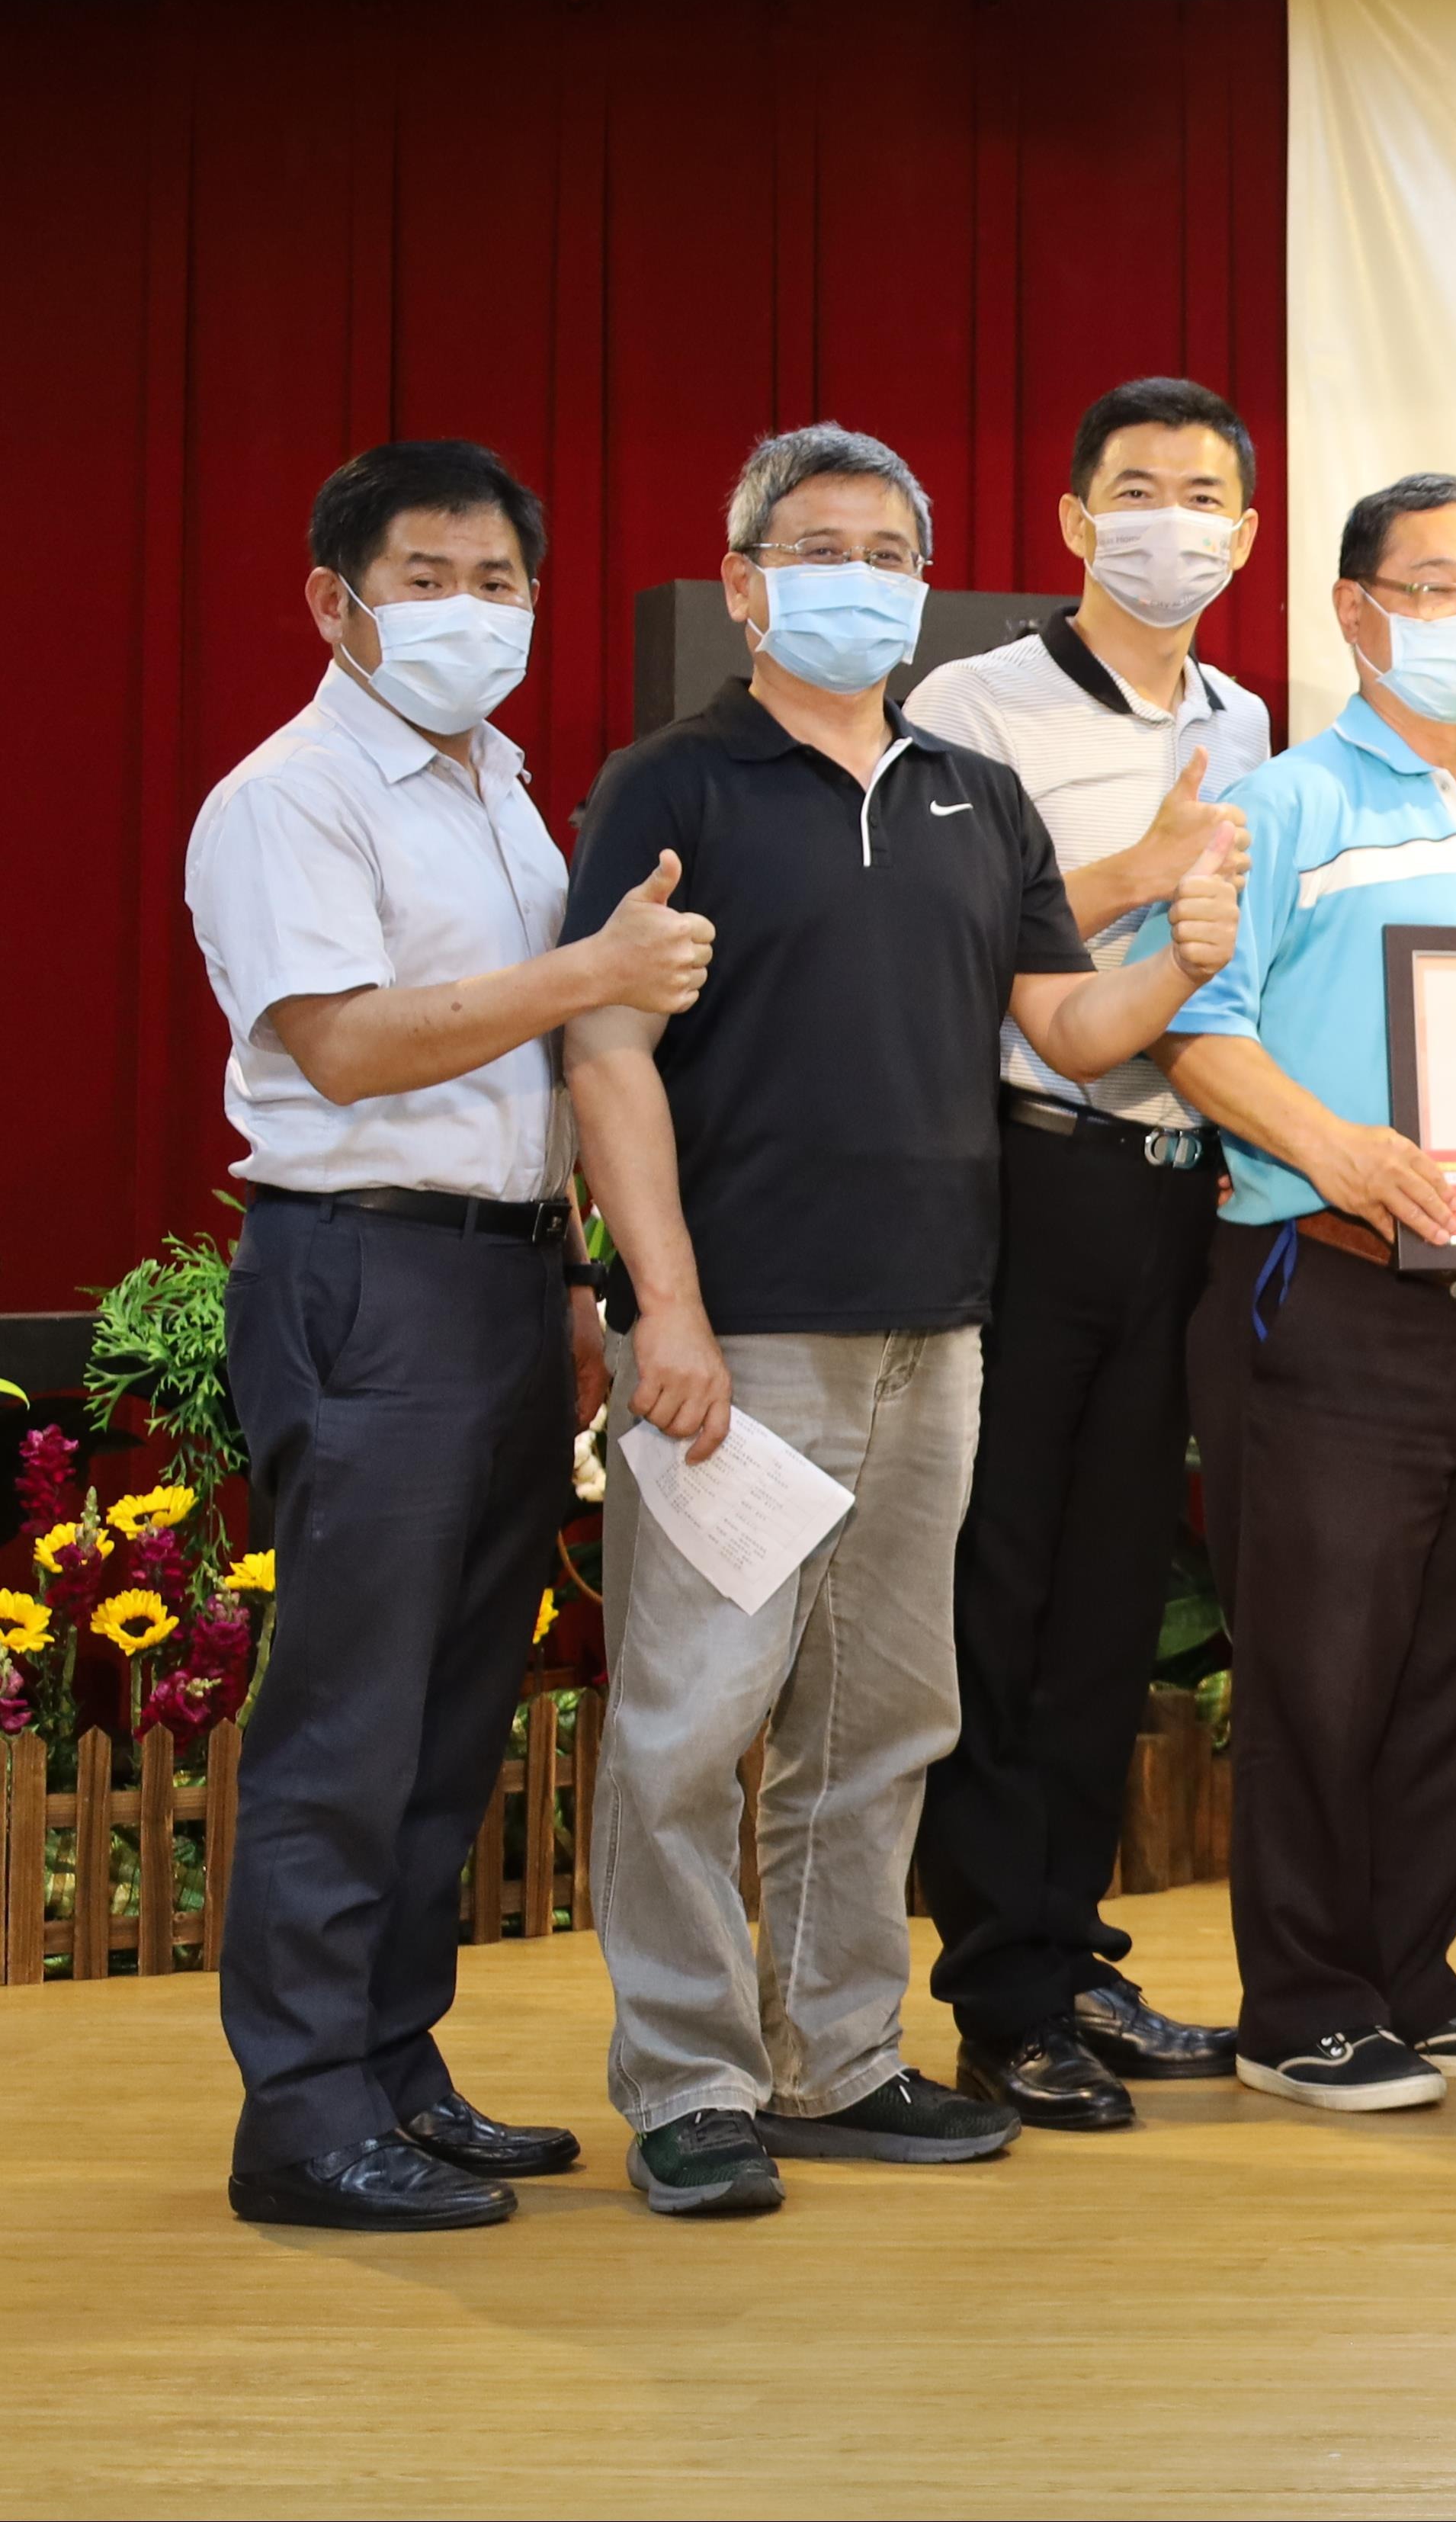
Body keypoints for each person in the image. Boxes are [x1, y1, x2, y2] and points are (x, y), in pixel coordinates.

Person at [565, 425, 1239, 2219]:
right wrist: (666, 1308)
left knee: (882, 1723)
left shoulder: (973, 795)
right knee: (689, 1724)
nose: (853, 576)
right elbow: (606, 1048)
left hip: (939, 1332)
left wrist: (1181, 954)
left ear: (924, 586)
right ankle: (691, 2083)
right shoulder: (671, 784)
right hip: (737, 1344)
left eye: (886, 551)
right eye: (815, 547)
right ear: (742, 584)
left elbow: (1066, 1029)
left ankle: (840, 2056)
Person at [188, 441, 710, 2232]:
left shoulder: (500, 786)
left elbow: (517, 1077)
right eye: (427, 578)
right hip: (361, 1273)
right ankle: (301, 2114)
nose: (469, 612)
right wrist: (595, 972)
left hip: (497, 1278)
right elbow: (345, 1046)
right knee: (352, 1710)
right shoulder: (292, 796)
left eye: (500, 583)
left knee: (452, 1708)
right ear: (333, 600)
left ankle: (394, 2069)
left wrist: (567, 1277)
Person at [1163, 470, 1456, 2116]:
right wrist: (1337, 1150)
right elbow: (1193, 1026)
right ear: (1354, 609)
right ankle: (1300, 2001)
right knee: (1321, 1660)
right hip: (1329, 1280)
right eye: (1434, 585)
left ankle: (1409, 1976)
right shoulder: (1280, 808)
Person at [903, 377, 1275, 2131]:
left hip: (1182, 1182)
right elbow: (946, 935)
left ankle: (1071, 1951)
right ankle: (998, 1990)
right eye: (1137, 489)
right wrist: (1141, 866)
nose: (1170, 523)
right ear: (1071, 518)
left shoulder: (1249, 716)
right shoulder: (969, 703)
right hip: (1030, 1173)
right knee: (1003, 1589)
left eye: (1204, 496)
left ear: (1247, 536)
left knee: (1114, 1599)